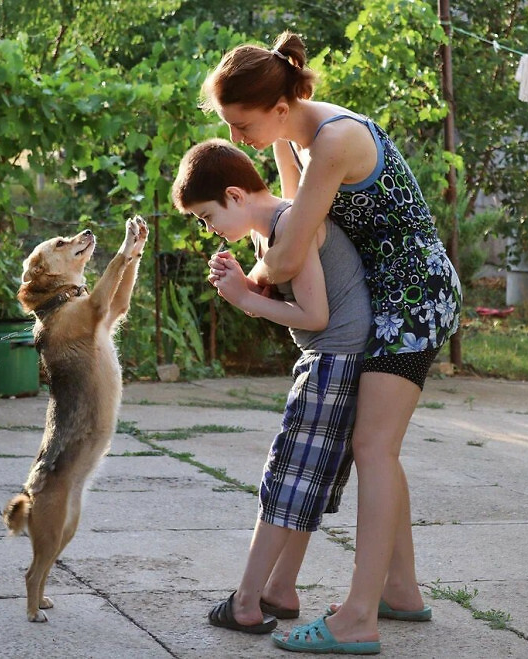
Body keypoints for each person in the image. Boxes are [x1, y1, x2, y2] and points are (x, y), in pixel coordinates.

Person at [202, 31, 462, 654]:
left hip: (412, 298)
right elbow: (294, 213)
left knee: (372, 447)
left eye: (242, 125)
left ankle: (357, 618)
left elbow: (290, 251)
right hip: (388, 297)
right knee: (375, 446)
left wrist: (246, 289)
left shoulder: (335, 140)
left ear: (279, 108)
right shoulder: (300, 134)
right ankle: (401, 588)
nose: (239, 140)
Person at [171, 138, 372, 637]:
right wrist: (245, 283)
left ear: (236, 196)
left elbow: (314, 315)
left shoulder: (288, 227)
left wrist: (243, 297)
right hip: (337, 360)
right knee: (306, 481)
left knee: (285, 480)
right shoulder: (273, 229)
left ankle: (245, 601)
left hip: (333, 359)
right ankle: (281, 588)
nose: (208, 228)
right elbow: (288, 173)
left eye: (206, 215)